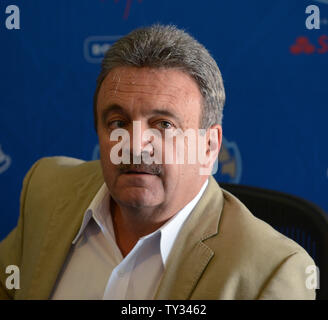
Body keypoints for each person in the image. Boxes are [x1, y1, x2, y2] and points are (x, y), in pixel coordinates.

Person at [0, 24, 316, 300]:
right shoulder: (47, 188)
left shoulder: (271, 272)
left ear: (209, 147)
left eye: (163, 124)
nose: (136, 146)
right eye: (118, 122)